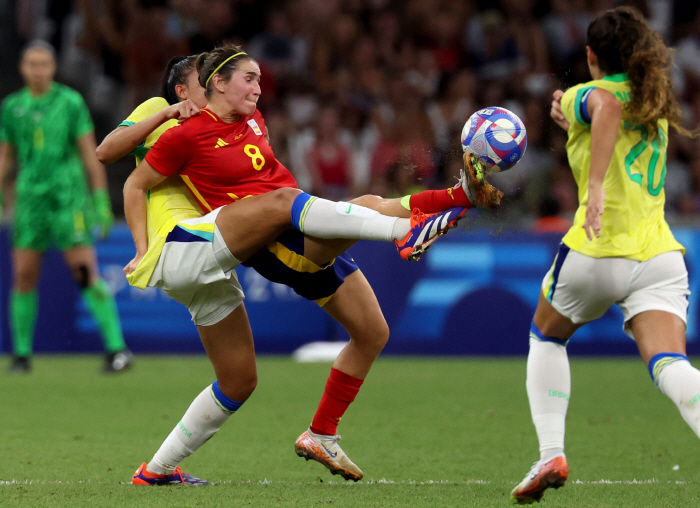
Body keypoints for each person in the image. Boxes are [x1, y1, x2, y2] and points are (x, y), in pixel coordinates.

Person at [120, 44, 501, 486]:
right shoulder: (185, 133)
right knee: (306, 204)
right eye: (250, 78)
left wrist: (465, 199)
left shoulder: (254, 121)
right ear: (218, 83)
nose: (260, 89)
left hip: (301, 221)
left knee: (372, 326)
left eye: (261, 79)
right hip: (274, 240)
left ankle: (319, 434)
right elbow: (132, 179)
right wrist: (141, 248)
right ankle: (405, 233)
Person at [511, 7, 700, 504]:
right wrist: (569, 109)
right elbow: (601, 110)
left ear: (591, 55)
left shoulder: (594, 95)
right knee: (670, 365)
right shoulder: (653, 98)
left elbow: (604, 108)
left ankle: (551, 451)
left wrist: (594, 188)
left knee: (546, 337)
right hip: (659, 256)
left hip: (598, 252)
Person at [0, 40, 131, 373]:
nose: (38, 70)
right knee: (24, 276)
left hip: (68, 198)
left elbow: (91, 153)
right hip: (30, 200)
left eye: (44, 64)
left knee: (84, 272)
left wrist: (100, 199)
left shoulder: (70, 102)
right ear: (22, 68)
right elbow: (6, 156)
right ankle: (22, 356)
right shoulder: (12, 107)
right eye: (32, 64)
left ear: (53, 67)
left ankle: (117, 350)